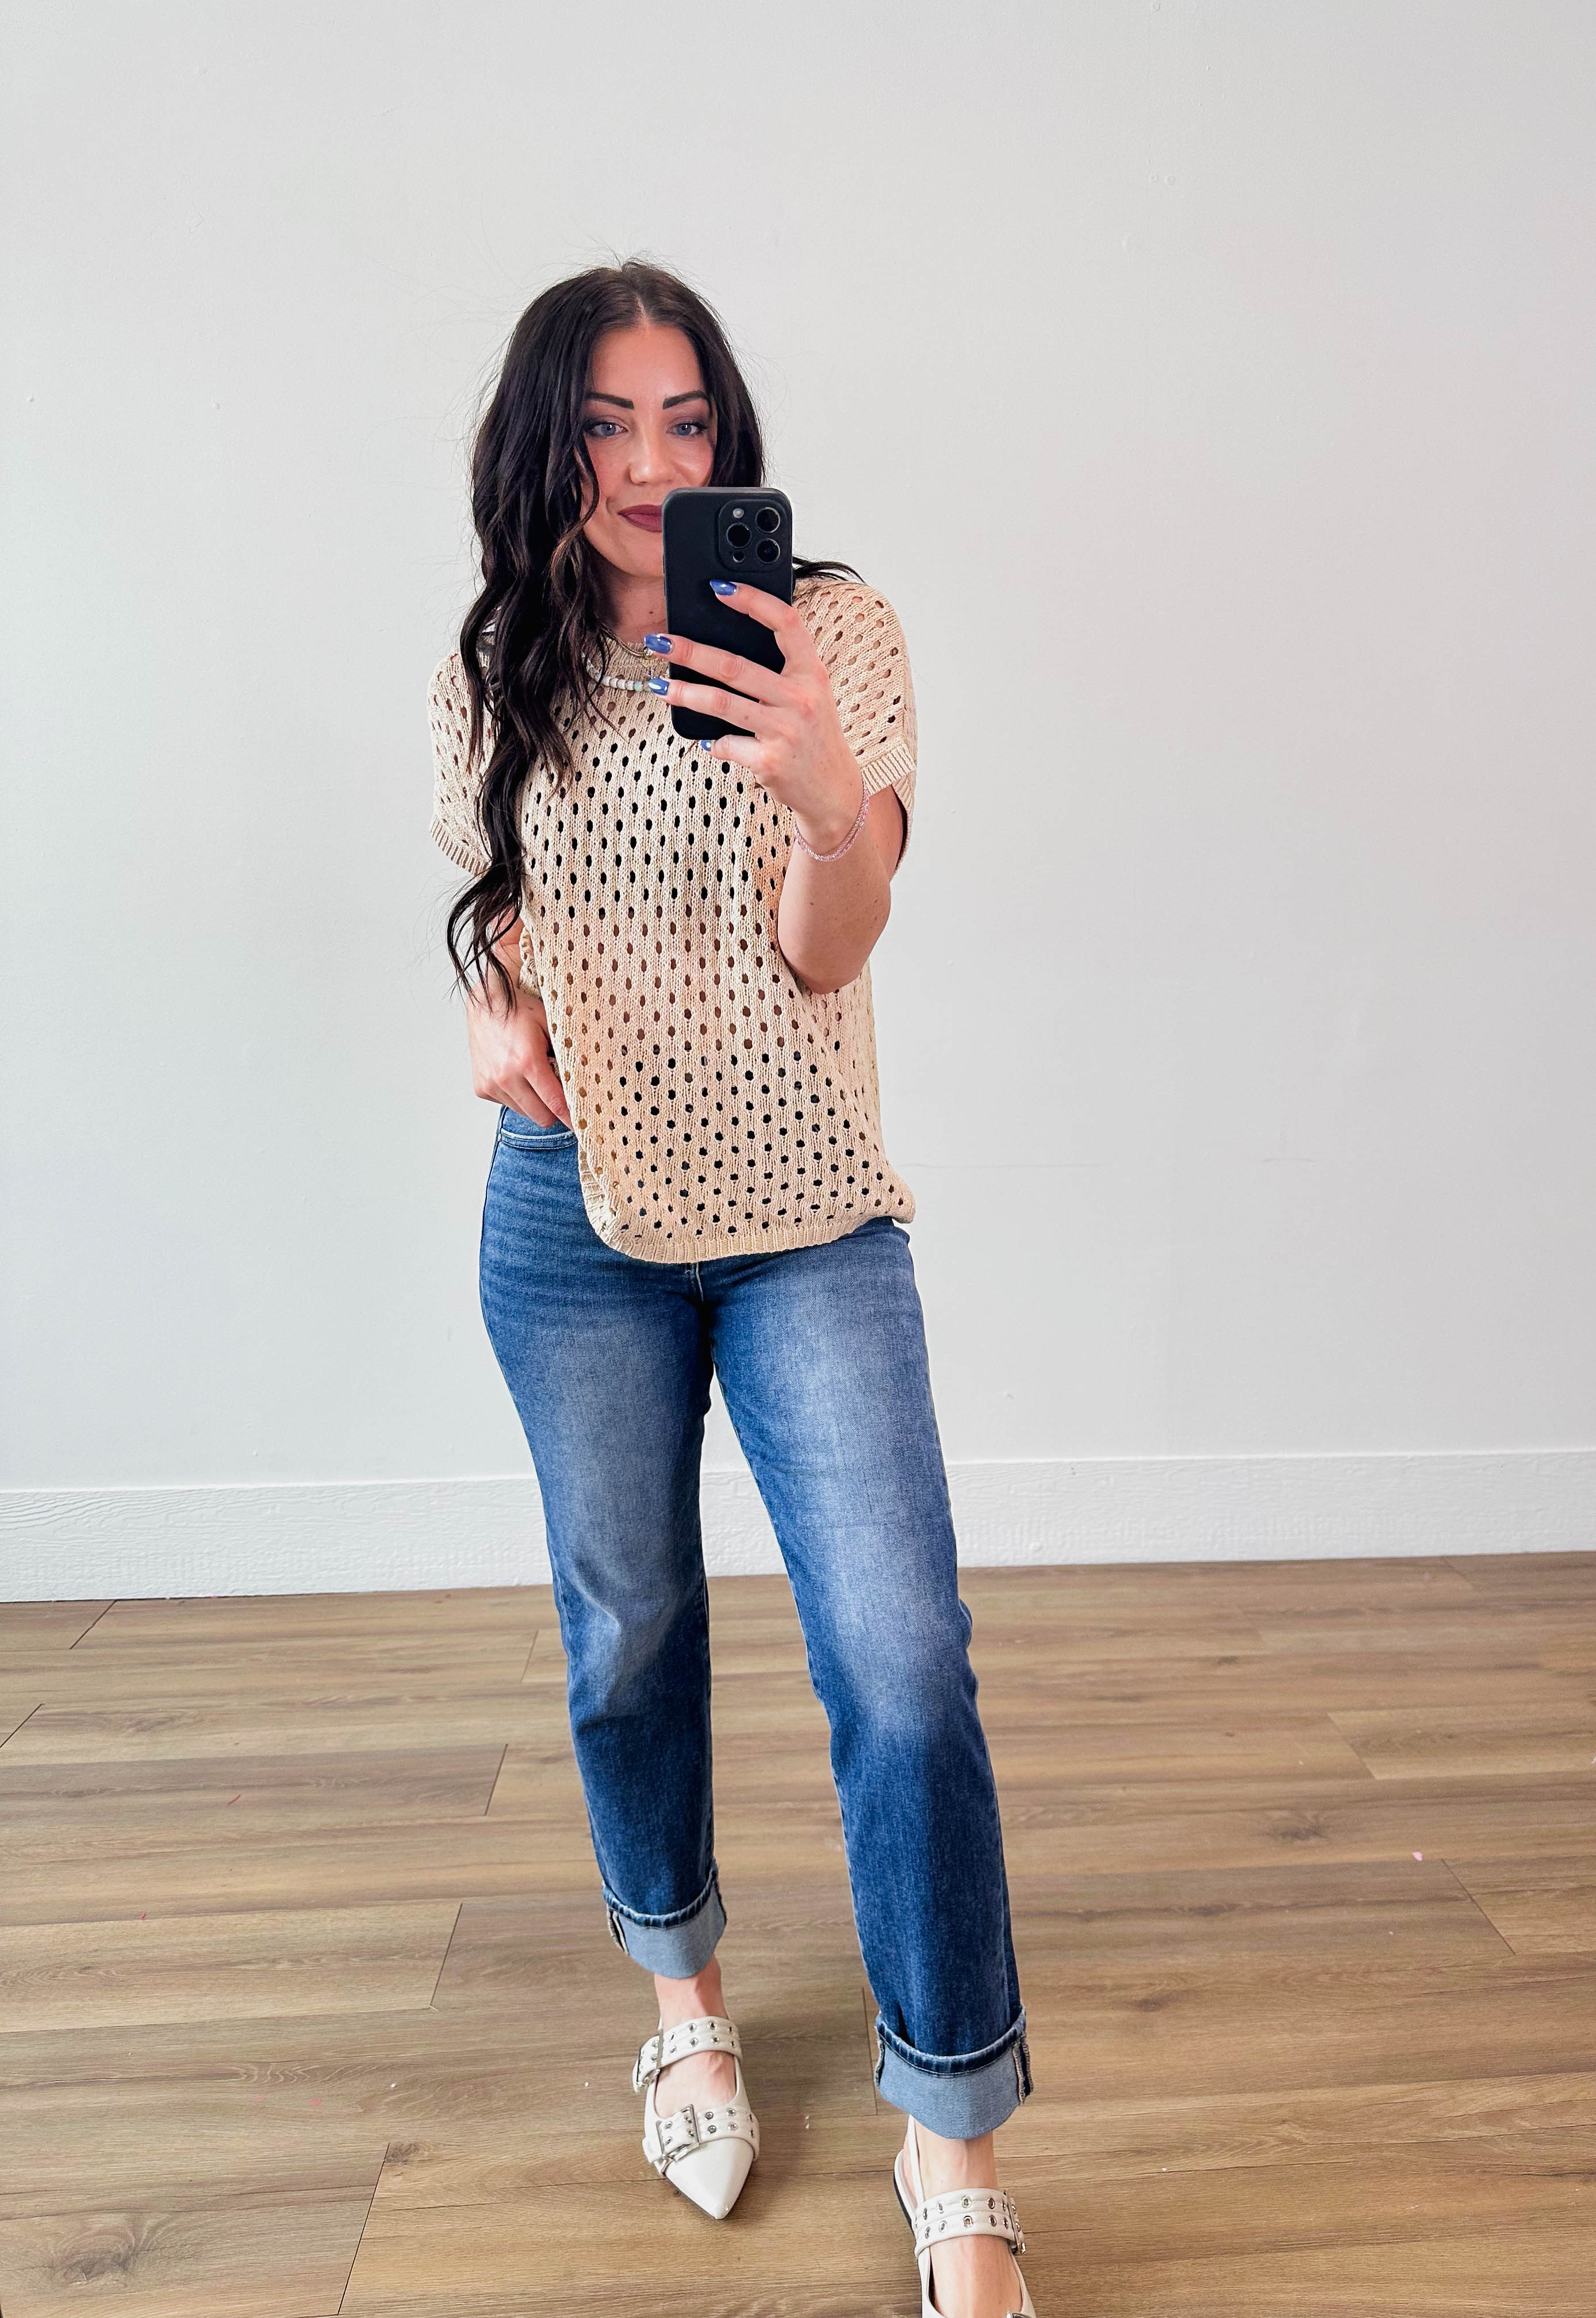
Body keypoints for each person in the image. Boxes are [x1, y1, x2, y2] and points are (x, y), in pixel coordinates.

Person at [428, 260, 1035, 2318]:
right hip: (571, 1220)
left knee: (903, 1661)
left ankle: (953, 2143)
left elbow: (830, 947)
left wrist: (822, 788)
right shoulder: (495, 661)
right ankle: (684, 2005)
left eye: (685, 422)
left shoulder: (830, 631)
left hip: (806, 1219)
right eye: (607, 424)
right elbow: (502, 920)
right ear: (547, 442)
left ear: (729, 443)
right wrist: (493, 1011)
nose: (647, 463)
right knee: (627, 1636)